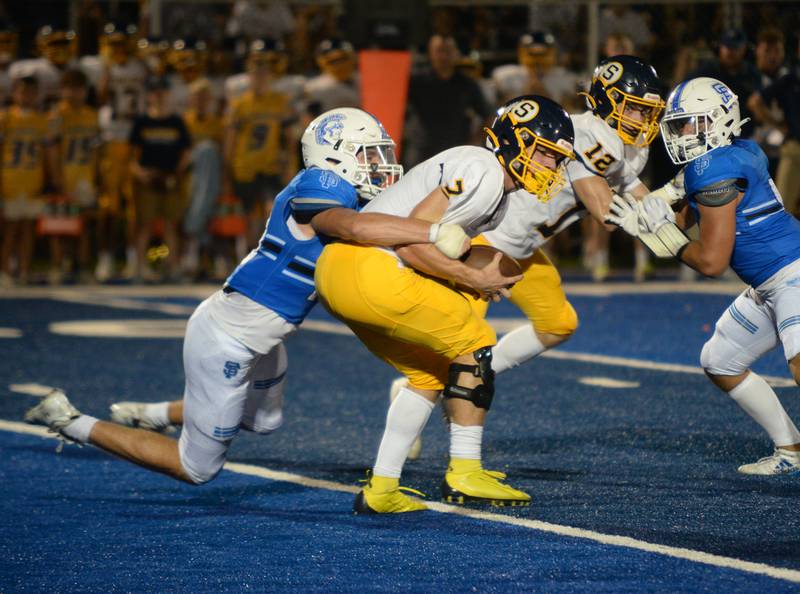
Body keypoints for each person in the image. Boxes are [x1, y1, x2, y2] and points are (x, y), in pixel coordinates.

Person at [24, 107, 469, 488]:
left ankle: (157, 412)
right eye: (372, 154)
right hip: (227, 339)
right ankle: (68, 420)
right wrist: (431, 230)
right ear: (337, 155)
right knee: (196, 468)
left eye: (384, 153)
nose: (384, 164)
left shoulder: (351, 195)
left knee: (265, 422)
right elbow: (351, 229)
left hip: (263, 339)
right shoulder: (322, 184)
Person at [395, 57, 668, 460]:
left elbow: (632, 185)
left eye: (648, 109)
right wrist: (662, 210)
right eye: (635, 106)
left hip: (522, 247)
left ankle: (470, 375)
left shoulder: (628, 147)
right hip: (489, 240)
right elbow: (606, 213)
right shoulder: (586, 134)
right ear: (609, 101)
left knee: (558, 323)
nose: (644, 117)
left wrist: (662, 205)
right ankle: (411, 436)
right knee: (458, 349)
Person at [314, 96, 575, 514]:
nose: (550, 166)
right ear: (513, 141)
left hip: (336, 272)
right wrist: (472, 277)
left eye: (556, 158)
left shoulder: (488, 182)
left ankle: (382, 487)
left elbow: (430, 242)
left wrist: (476, 273)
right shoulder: (484, 173)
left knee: (431, 373)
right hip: (373, 268)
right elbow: (412, 241)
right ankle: (465, 470)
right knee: (476, 342)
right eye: (544, 153)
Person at [636, 77, 800, 475]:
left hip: (792, 273)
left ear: (719, 119)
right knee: (721, 359)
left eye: (692, 123)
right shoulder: (736, 151)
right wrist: (650, 212)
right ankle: (791, 451)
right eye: (679, 125)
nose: (682, 133)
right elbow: (682, 211)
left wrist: (665, 238)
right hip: (769, 283)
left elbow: (711, 261)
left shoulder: (714, 168)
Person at [223, 39, 295, 249]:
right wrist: (227, 169)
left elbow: (288, 136)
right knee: (248, 214)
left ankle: (269, 251)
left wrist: (289, 164)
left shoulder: (279, 101)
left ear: (269, 77)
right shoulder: (240, 105)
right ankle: (249, 252)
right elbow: (230, 139)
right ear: (249, 77)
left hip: (270, 164)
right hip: (244, 166)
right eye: (255, 75)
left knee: (271, 209)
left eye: (263, 74)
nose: (259, 79)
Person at [128, 76, 192, 282]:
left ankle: (173, 266)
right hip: (148, 179)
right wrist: (140, 173)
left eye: (162, 91)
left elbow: (186, 152)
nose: (158, 96)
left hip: (170, 179)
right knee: (144, 224)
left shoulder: (176, 121)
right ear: (149, 96)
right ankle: (139, 267)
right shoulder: (142, 122)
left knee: (171, 224)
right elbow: (131, 156)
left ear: (168, 94)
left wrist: (176, 173)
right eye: (154, 92)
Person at [46, 68, 101, 283]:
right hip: (65, 175)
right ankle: (58, 265)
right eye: (69, 88)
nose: (74, 94)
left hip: (85, 176)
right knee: (60, 226)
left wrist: (97, 176)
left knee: (84, 224)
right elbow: (51, 149)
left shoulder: (91, 115)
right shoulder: (57, 115)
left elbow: (96, 150)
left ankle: (82, 266)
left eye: (78, 89)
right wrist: (56, 177)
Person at [405, 34, 492, 165]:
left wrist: (474, 143)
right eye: (439, 51)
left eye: (448, 51)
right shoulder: (415, 81)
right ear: (430, 53)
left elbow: (488, 116)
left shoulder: (467, 84)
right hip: (420, 152)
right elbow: (394, 106)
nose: (444, 56)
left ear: (456, 53)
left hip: (454, 154)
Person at [0, 76, 50, 286]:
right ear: (14, 94)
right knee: (10, 229)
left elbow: (48, 153)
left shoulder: (42, 120)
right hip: (10, 179)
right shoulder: (5, 118)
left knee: (29, 229)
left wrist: (50, 179)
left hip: (33, 180)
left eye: (31, 92)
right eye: (23, 92)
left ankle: (23, 269)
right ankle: (4, 271)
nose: (27, 96)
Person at [748, 38, 800, 217]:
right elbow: (754, 102)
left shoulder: (787, 76)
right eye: (767, 51)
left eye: (776, 51)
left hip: (784, 145)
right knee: (782, 210)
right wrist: (776, 124)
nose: (772, 56)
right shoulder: (791, 78)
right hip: (791, 147)